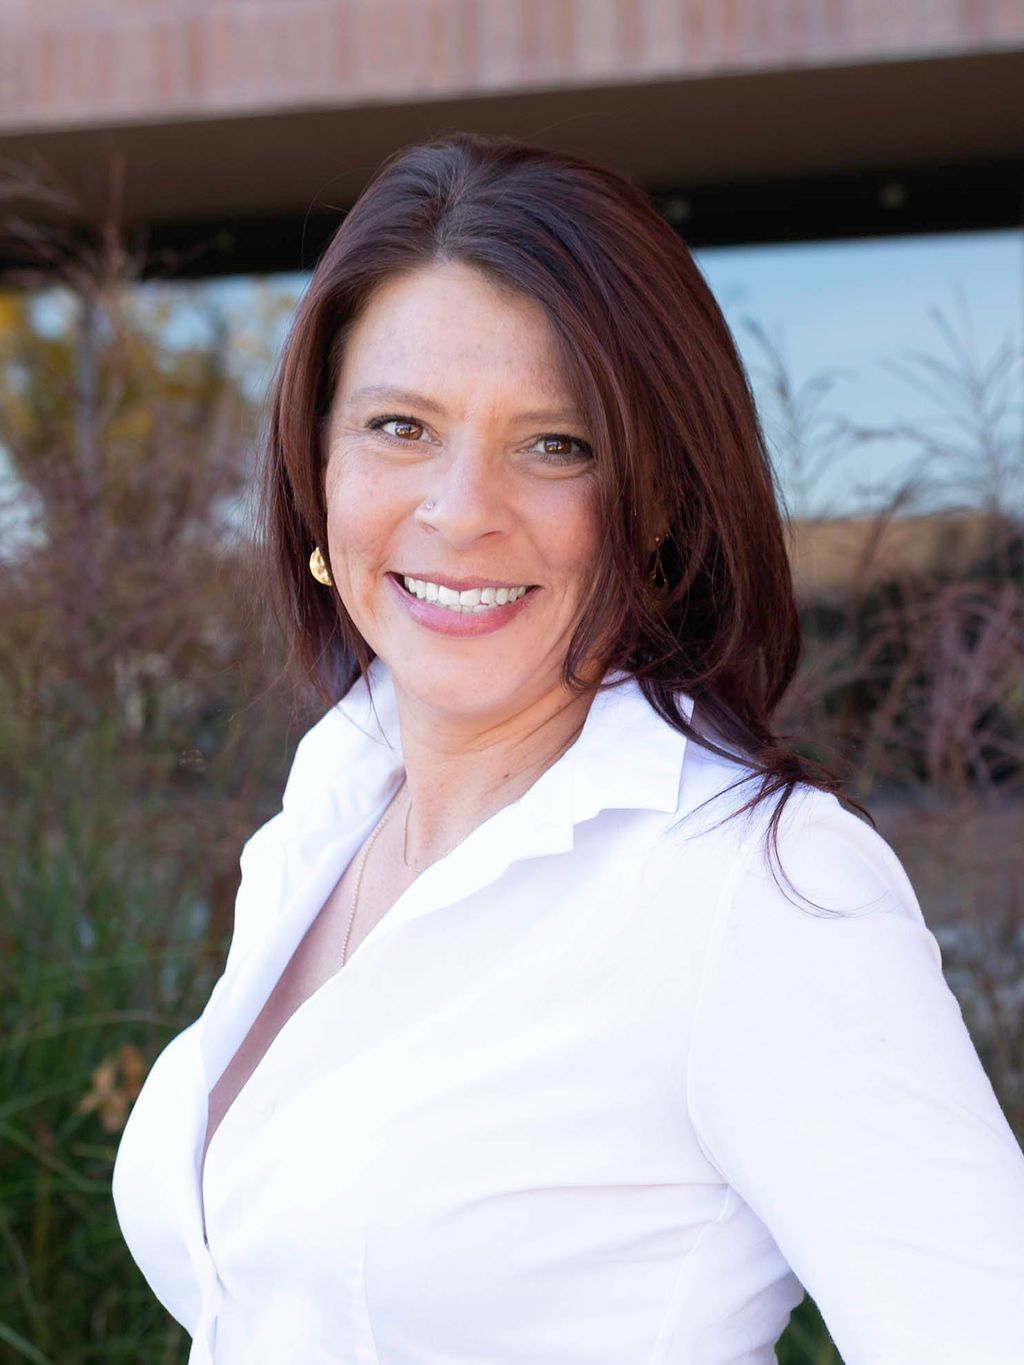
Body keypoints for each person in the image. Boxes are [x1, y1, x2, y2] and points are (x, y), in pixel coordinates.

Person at [112, 131, 1024, 1364]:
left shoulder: (754, 887)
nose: (459, 510)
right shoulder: (329, 809)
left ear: (655, 504)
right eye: (400, 427)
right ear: (314, 461)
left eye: (557, 444)